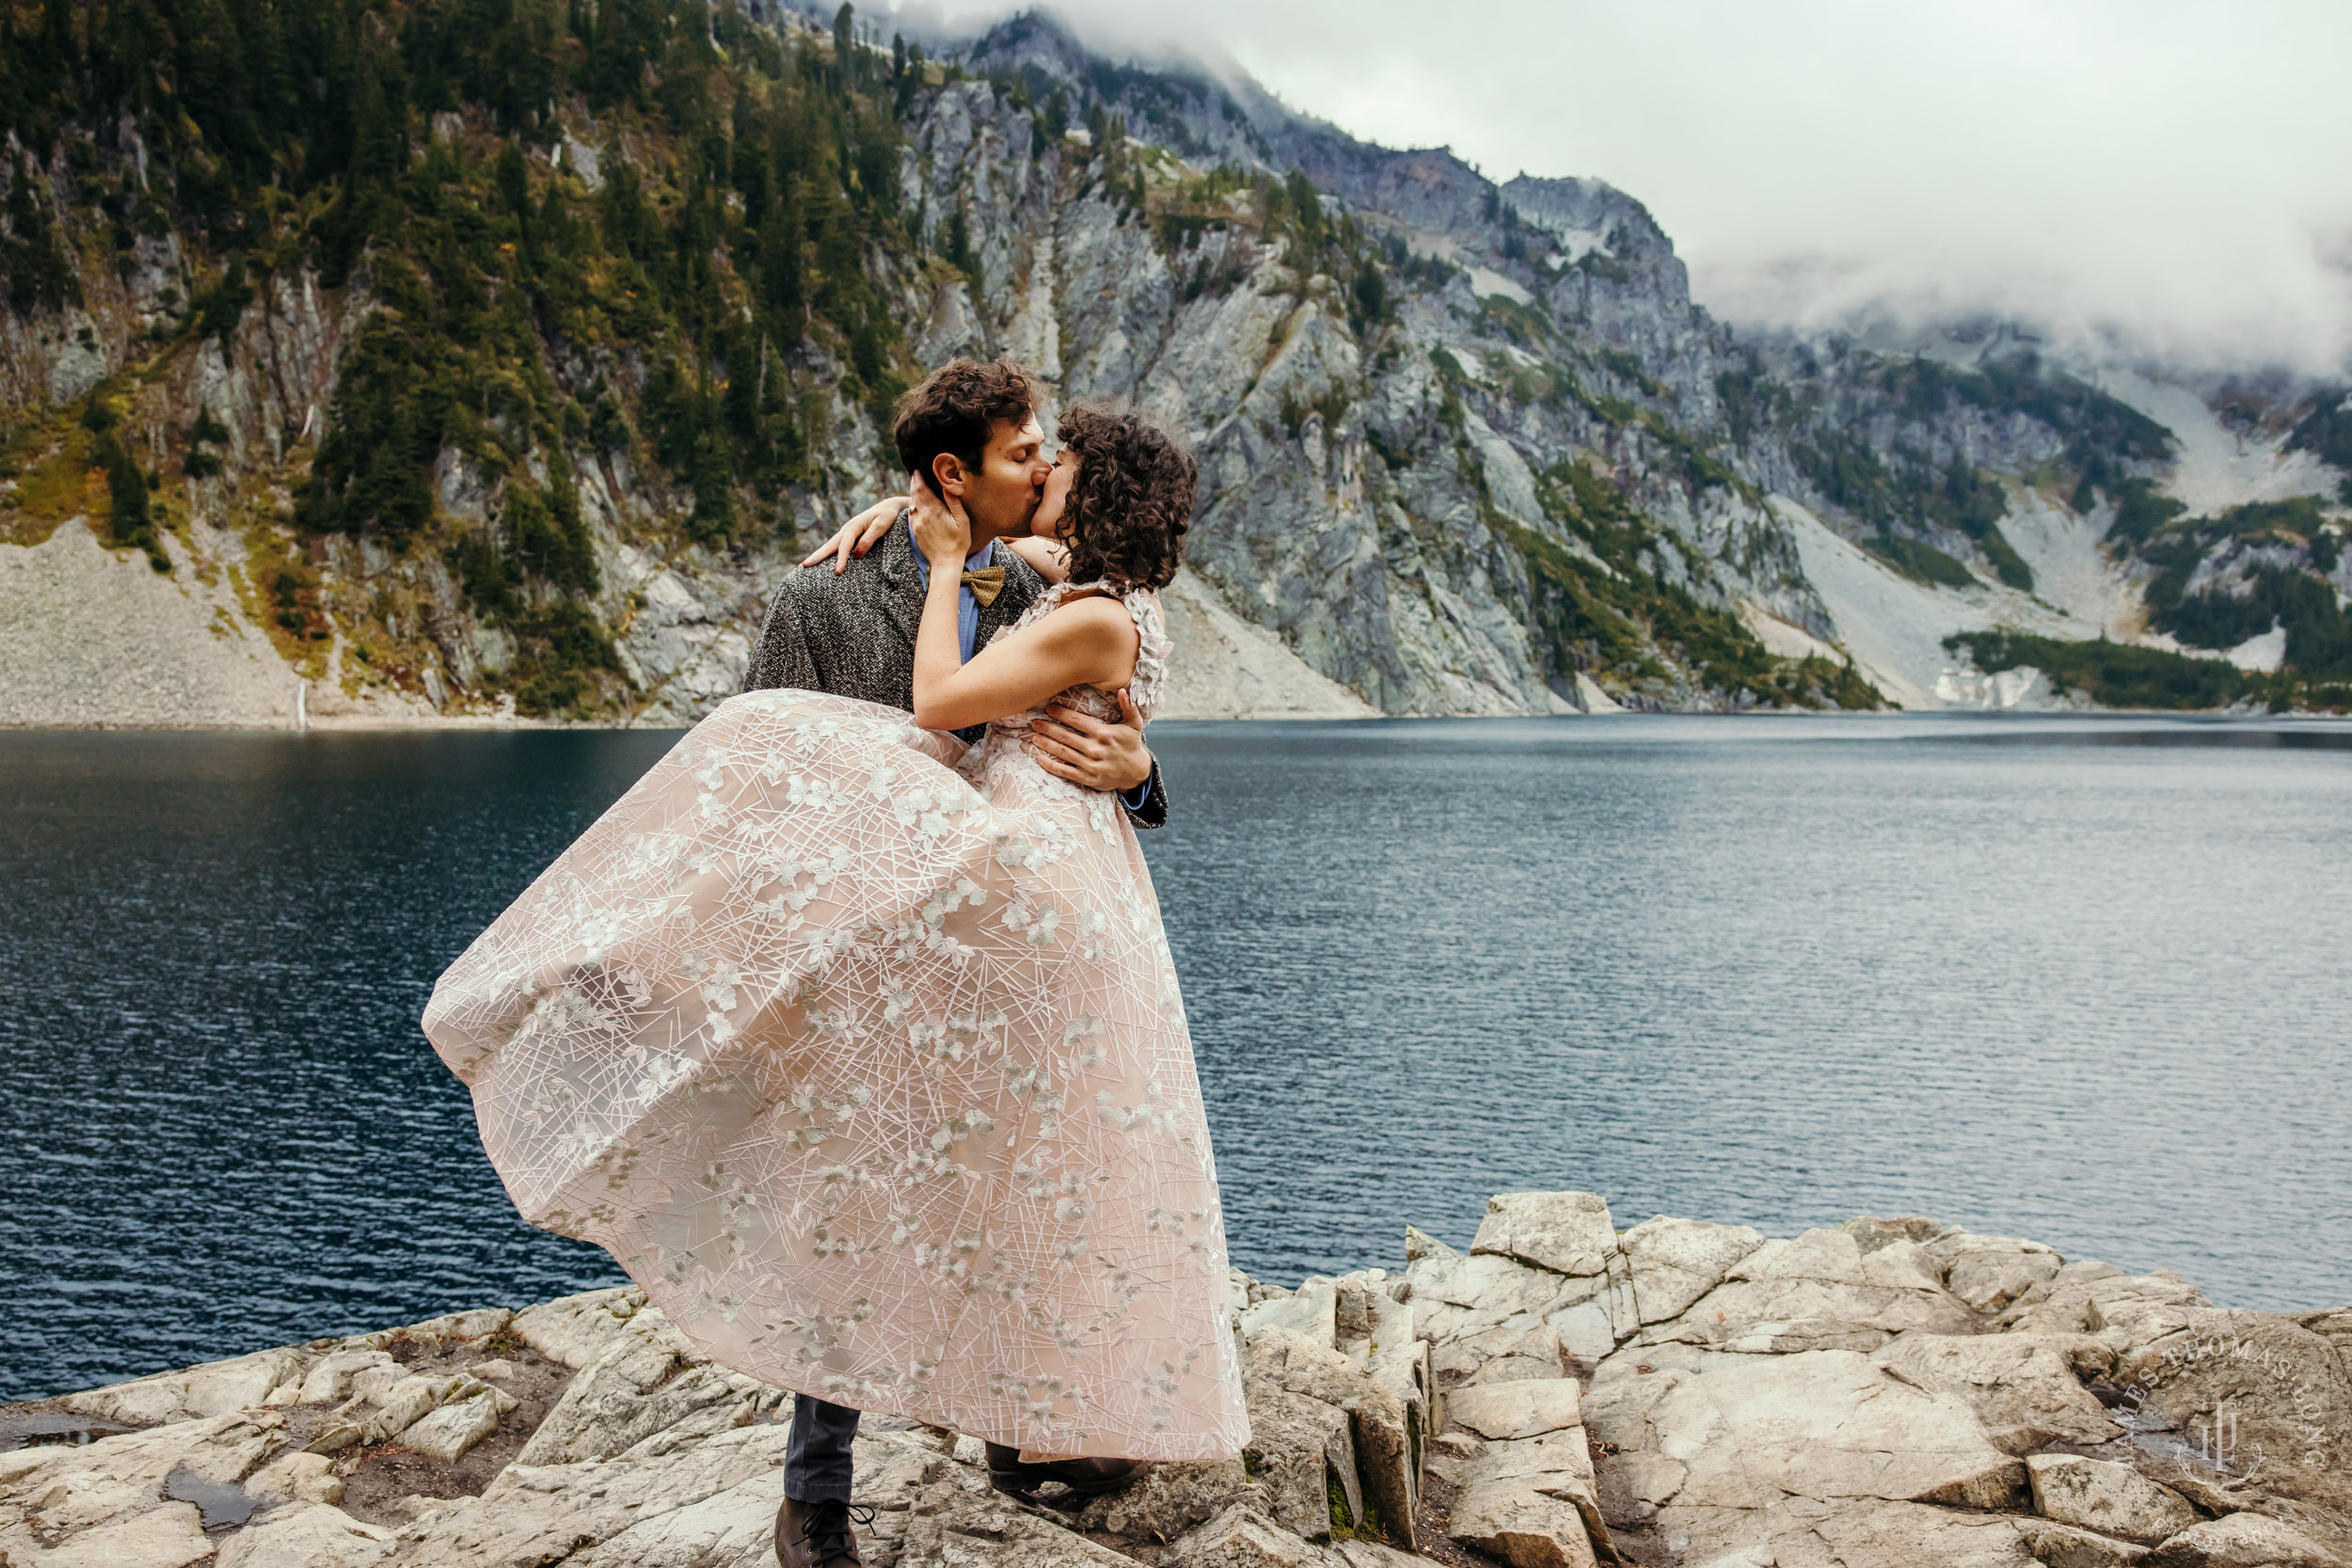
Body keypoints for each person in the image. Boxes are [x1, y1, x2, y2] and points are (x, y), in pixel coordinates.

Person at [421, 369, 1248, 1568]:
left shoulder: (1043, 578)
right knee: (849, 1191)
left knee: (1008, 1172)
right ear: (953, 474)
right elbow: (761, 775)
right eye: (1019, 453)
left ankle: (1019, 1425)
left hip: (998, 937)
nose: (1037, 468)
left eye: (1048, 456)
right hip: (852, 944)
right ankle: (816, 1493)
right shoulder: (826, 592)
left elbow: (1096, 722)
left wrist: (1141, 773)